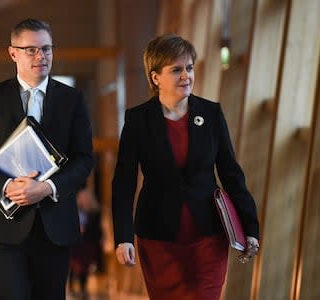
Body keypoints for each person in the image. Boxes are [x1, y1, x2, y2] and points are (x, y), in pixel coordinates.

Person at [111, 34, 260, 300]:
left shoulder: (212, 113)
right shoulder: (137, 120)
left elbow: (231, 174)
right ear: (155, 77)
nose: (186, 76)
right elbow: (124, 183)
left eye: (189, 68)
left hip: (208, 234)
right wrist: (123, 237)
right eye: (176, 70)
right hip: (158, 237)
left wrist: (250, 227)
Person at [0, 18, 93, 300]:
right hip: (4, 231)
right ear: (13, 53)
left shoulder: (72, 99)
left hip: (55, 230)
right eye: (31, 50)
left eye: (46, 49)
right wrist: (8, 186)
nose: (40, 56)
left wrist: (47, 188)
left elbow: (84, 160)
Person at [68, 184, 103, 298]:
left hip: (87, 244)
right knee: (73, 266)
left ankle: (83, 289)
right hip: (76, 243)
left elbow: (97, 230)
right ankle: (71, 288)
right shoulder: (74, 210)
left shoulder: (94, 212)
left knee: (84, 267)